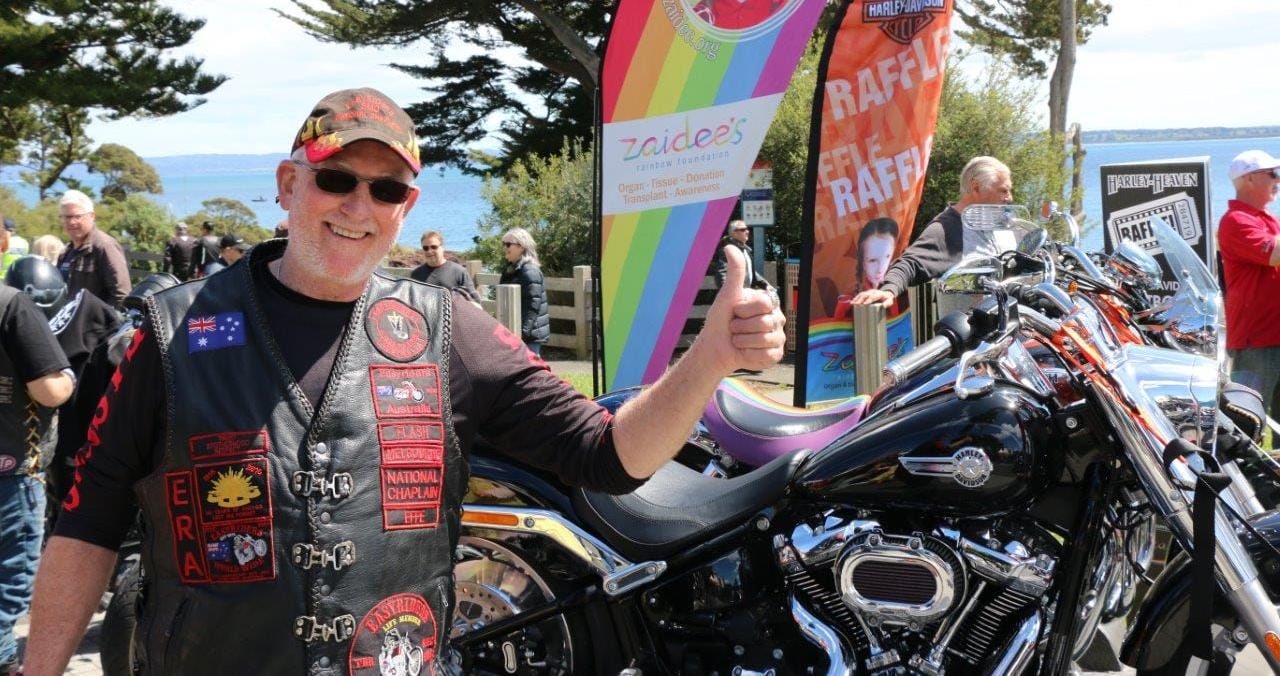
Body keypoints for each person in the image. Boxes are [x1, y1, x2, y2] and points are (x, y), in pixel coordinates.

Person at [25, 86, 784, 675]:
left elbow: (610, 454)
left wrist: (709, 357)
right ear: (290, 183)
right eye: (337, 178)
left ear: (407, 208)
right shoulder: (171, 332)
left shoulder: (450, 331)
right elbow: (88, 523)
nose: (360, 206)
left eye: (386, 190)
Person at [0, 277, 74, 673]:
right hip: (11, 474)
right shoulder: (13, 305)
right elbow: (49, 390)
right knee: (7, 586)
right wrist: (69, 379)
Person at [5, 257, 119, 506]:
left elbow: (52, 393)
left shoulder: (16, 318)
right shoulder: (97, 315)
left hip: (60, 444)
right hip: (84, 441)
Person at [852, 155, 1014, 309]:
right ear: (976, 188)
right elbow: (911, 262)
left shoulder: (998, 223)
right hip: (970, 333)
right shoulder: (948, 229)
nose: (1009, 198)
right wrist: (888, 290)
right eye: (1003, 191)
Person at [1218, 149, 1280, 418]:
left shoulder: (1268, 220)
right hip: (1256, 343)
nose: (1278, 180)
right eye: (1273, 174)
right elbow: (1274, 255)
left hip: (1274, 336)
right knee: (1248, 420)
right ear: (1249, 179)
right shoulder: (1236, 221)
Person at [55, 190, 130, 309]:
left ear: (92, 216)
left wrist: (101, 321)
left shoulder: (104, 246)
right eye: (67, 217)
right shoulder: (65, 253)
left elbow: (121, 295)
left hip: (96, 326)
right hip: (68, 325)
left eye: (78, 216)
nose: (72, 222)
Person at [498, 227, 551, 355]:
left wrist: (522, 333)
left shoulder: (530, 271)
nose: (505, 248)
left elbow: (533, 304)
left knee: (531, 371)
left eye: (508, 244)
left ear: (521, 247)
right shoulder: (511, 269)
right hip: (515, 332)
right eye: (504, 244)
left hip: (528, 336)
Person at [410, 231, 482, 303]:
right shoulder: (416, 274)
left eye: (434, 247)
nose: (429, 251)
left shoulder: (459, 272)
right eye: (426, 248)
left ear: (442, 247)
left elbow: (474, 301)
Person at [713, 219, 767, 290]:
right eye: (743, 230)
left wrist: (765, 285)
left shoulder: (746, 250)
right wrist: (727, 292)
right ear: (734, 233)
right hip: (735, 295)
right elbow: (721, 273)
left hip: (747, 294)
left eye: (747, 229)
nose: (747, 232)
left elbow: (750, 271)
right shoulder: (728, 250)